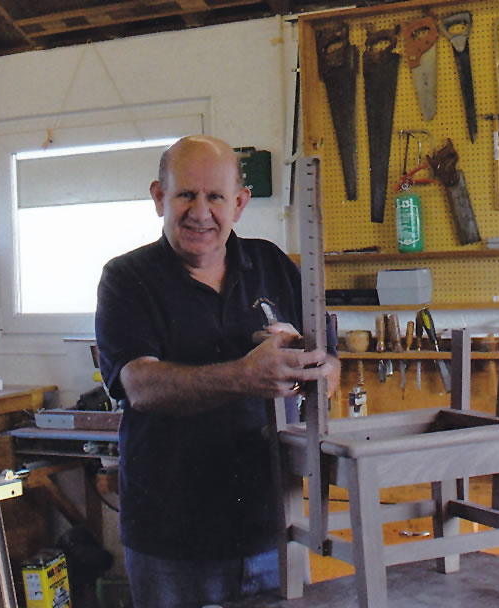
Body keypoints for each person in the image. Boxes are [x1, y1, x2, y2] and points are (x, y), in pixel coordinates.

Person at [95, 135, 338, 607]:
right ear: (159, 197)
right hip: (172, 541)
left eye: (215, 197)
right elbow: (139, 384)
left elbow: (330, 362)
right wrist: (245, 376)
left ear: (240, 204)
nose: (200, 212)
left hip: (275, 528)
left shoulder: (273, 265)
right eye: (186, 194)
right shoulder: (126, 279)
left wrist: (314, 369)